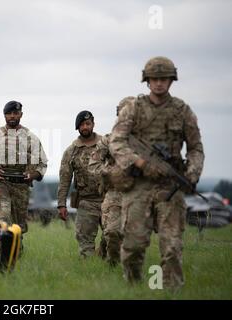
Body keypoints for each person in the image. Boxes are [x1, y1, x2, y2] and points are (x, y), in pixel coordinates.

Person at [109, 57, 204, 289]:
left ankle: (172, 291)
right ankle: (133, 289)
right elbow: (117, 141)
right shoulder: (134, 108)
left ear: (171, 81)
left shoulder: (182, 111)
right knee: (132, 246)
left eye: (164, 79)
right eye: (155, 79)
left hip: (170, 187)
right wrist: (138, 162)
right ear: (147, 80)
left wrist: (192, 174)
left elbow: (195, 148)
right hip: (139, 186)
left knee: (171, 246)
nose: (159, 83)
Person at [0, 100, 47, 242]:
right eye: (9, 114)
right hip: (1, 184)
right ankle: (2, 258)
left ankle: (15, 256)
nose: (12, 116)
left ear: (21, 114)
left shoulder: (30, 138)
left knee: (17, 229)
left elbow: (42, 164)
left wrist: (32, 175)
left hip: (21, 187)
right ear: (4, 116)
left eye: (15, 113)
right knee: (2, 219)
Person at [88, 97, 135, 266]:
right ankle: (112, 265)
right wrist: (112, 173)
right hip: (115, 192)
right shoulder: (108, 141)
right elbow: (93, 165)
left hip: (139, 193)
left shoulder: (147, 143)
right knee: (113, 232)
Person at [57, 110, 106, 258]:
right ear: (77, 128)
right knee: (85, 243)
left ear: (93, 125)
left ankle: (105, 259)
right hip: (86, 201)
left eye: (88, 124)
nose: (85, 127)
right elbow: (65, 179)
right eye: (82, 125)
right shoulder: (71, 151)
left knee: (114, 235)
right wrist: (61, 205)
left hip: (108, 199)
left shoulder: (106, 145)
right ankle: (90, 268)